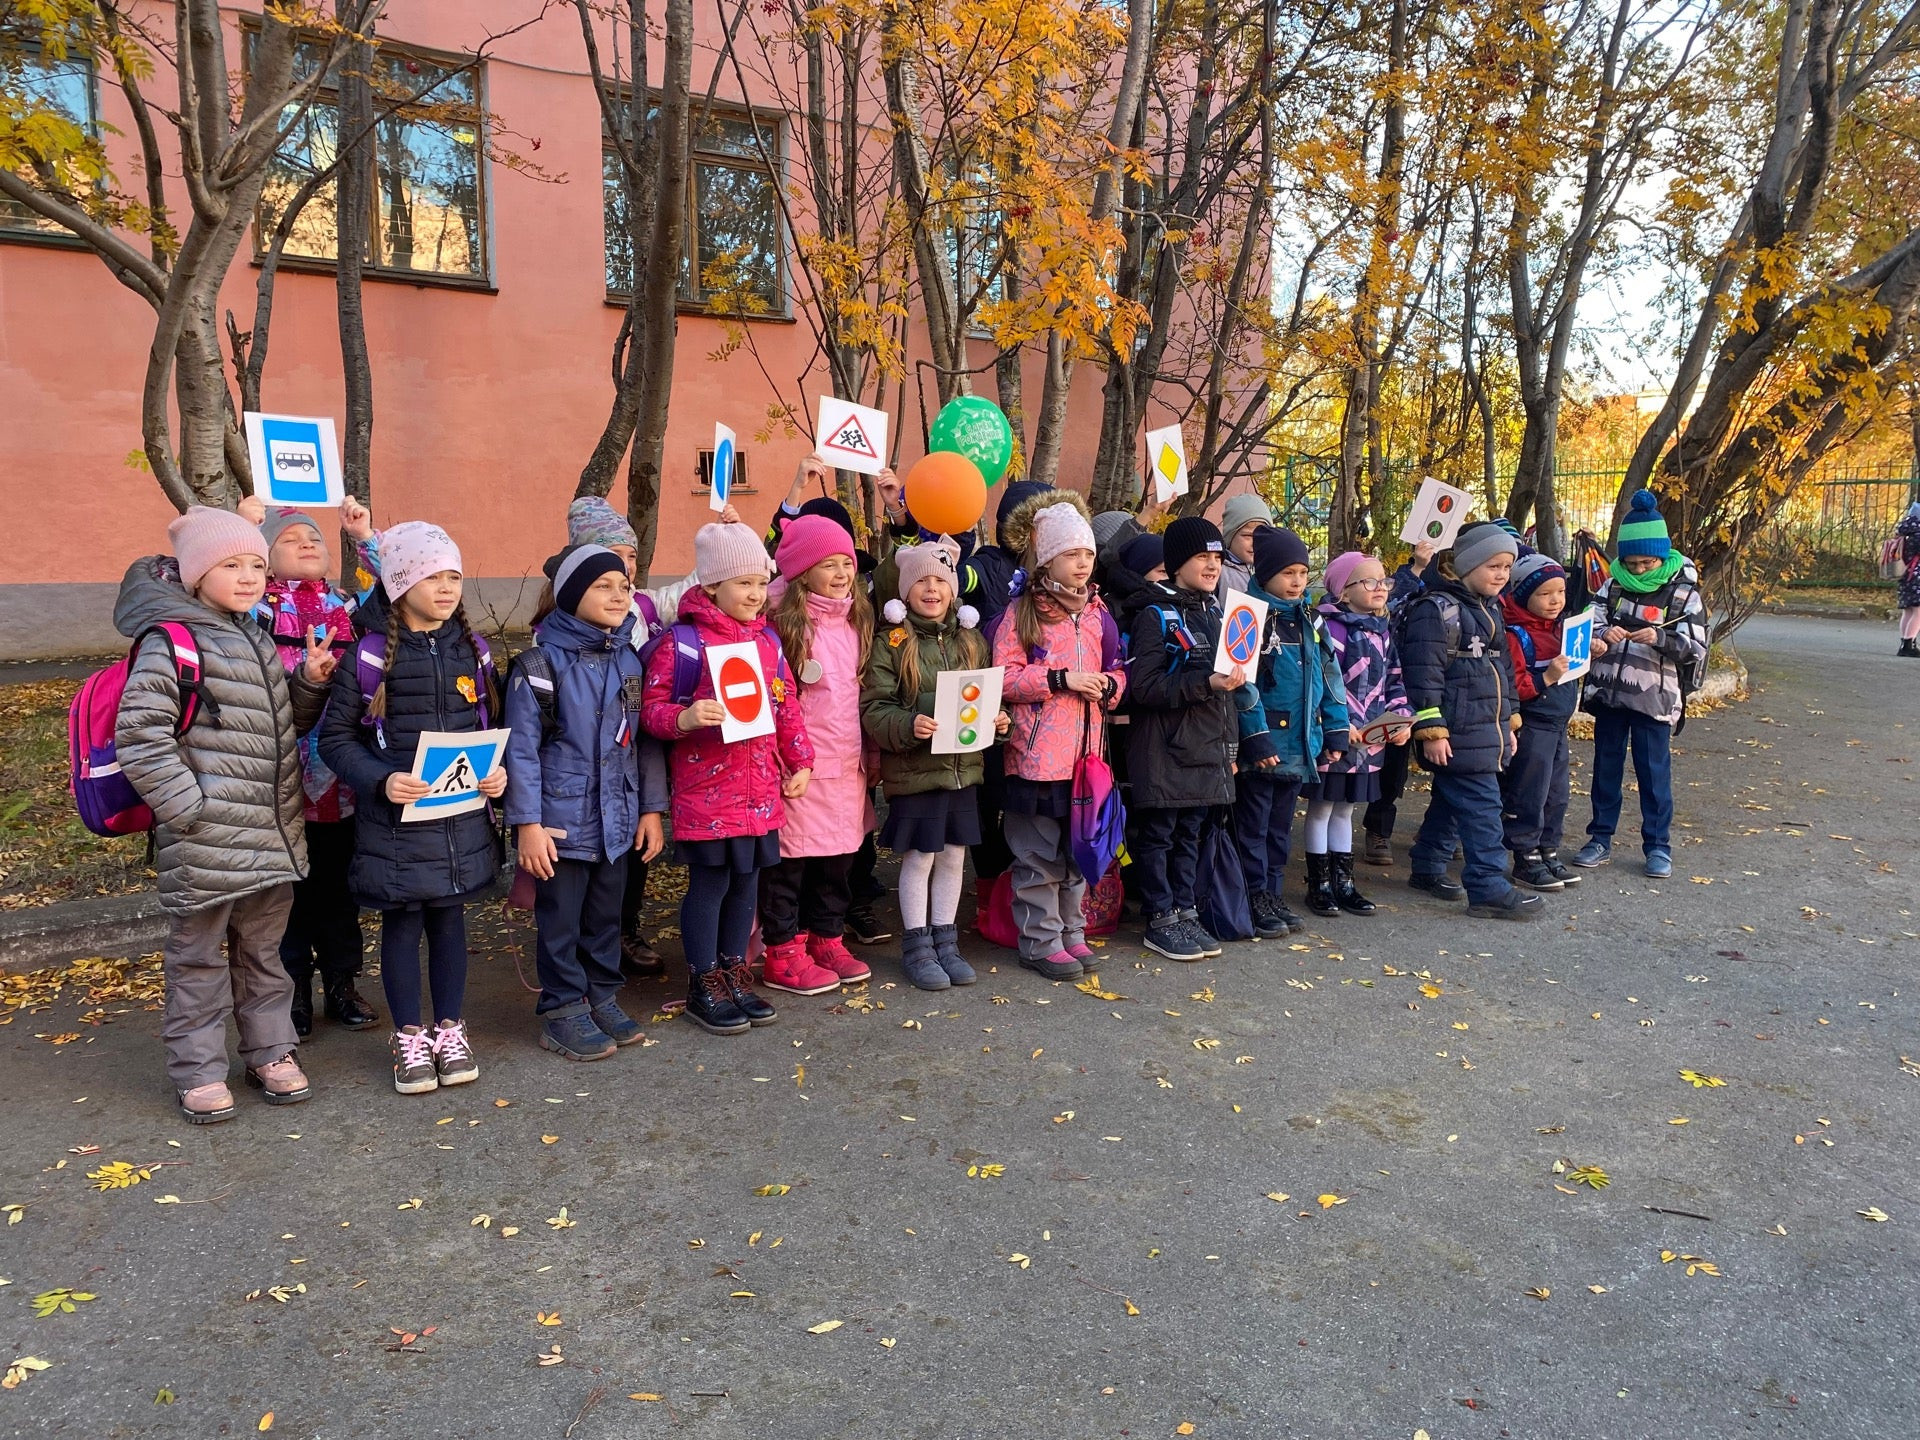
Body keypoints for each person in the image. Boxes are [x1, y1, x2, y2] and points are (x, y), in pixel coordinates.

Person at [114, 509, 333, 1124]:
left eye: (257, 565)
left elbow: (275, 731)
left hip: (270, 834)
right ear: (195, 573)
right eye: (230, 565)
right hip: (206, 839)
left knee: (265, 955)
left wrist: (308, 688)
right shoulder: (170, 642)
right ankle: (199, 1071)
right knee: (198, 959)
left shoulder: (255, 637)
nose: (248, 577)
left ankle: (270, 1052)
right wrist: (191, 810)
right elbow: (140, 737)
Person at [319, 523, 505, 1093]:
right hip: (396, 828)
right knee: (402, 926)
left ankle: (450, 1030)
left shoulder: (475, 650)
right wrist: (383, 781)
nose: (447, 588)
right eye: (431, 577)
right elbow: (335, 741)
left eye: (454, 576)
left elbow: (492, 726)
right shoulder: (368, 656)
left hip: (460, 823)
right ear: (400, 583)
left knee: (450, 922)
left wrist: (499, 775)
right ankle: (409, 1037)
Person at [641, 523, 813, 1033]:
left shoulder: (767, 642)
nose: (756, 594)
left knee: (747, 885)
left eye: (761, 583)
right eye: (743, 583)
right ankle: (702, 979)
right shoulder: (683, 644)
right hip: (707, 797)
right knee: (710, 886)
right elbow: (651, 711)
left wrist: (801, 760)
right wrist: (685, 718)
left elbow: (787, 708)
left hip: (759, 793)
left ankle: (734, 970)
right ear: (712, 585)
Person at [505, 545, 670, 1061]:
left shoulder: (628, 659)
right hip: (560, 824)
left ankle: (601, 995)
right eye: (604, 586)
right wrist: (527, 824)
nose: (619, 595)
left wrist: (650, 810)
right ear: (573, 594)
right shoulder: (538, 664)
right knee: (561, 921)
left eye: (623, 586)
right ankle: (561, 1009)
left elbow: (643, 740)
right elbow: (521, 752)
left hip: (617, 820)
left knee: (605, 918)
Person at [237, 495, 382, 1036]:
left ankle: (343, 985)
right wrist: (244, 528)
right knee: (286, 896)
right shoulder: (262, 607)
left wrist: (364, 538)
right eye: (291, 539)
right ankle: (291, 995)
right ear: (266, 557)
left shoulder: (348, 606)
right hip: (279, 778)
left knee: (339, 890)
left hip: (343, 779)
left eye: (316, 538)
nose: (307, 544)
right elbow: (211, 590)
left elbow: (397, 588)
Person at [564, 494, 713, 974]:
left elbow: (702, 582)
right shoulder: (559, 629)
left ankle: (623, 931)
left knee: (635, 849)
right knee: (584, 864)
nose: (626, 566)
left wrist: (719, 536)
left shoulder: (645, 607)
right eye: (613, 553)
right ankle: (581, 955)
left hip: (637, 749)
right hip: (582, 764)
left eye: (630, 555)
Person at [992, 494, 1127, 980]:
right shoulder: (1022, 613)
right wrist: (1058, 679)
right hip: (1034, 761)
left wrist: (1111, 687)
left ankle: (1072, 931)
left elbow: (1117, 670)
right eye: (1072, 555)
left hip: (1084, 762)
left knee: (1077, 853)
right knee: (1037, 858)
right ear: (1048, 559)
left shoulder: (1098, 614)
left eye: (1088, 555)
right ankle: (1040, 940)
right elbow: (1002, 678)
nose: (1082, 564)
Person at [861, 538, 1007, 989]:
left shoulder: (970, 639)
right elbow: (875, 707)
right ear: (905, 592)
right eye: (921, 580)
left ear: (952, 590)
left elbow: (987, 696)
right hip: (916, 771)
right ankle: (917, 944)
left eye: (939, 581)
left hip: (963, 769)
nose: (931, 589)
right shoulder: (892, 643)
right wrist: (909, 724)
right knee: (922, 856)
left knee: (954, 855)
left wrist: (1001, 721)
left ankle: (947, 939)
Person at [1128, 516, 1261, 960]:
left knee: (1192, 833)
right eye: (1202, 557)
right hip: (1165, 751)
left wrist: (1232, 746)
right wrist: (1206, 682)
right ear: (1177, 561)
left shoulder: (1221, 613)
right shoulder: (1154, 614)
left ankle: (1185, 910)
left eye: (1218, 558)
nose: (1212, 566)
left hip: (1207, 749)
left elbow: (1228, 691)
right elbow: (1142, 689)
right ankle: (1160, 916)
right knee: (1161, 834)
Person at [1402, 522, 1541, 920]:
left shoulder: (1489, 607)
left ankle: (1427, 865)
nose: (1500, 575)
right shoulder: (1436, 610)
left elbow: (1504, 671)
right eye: (1492, 566)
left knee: (1452, 800)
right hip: (1459, 729)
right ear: (1465, 566)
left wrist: (1510, 722)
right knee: (1482, 809)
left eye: (1506, 567)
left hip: (1485, 728)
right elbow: (1422, 674)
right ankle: (1488, 886)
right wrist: (1431, 731)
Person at [762, 515, 876, 989]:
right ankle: (783, 947)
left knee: (839, 859)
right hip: (799, 765)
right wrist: (786, 758)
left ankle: (826, 937)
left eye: (846, 563)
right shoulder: (780, 625)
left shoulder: (857, 620)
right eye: (828, 564)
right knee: (792, 862)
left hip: (847, 762)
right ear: (801, 571)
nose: (841, 574)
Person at [1572, 490, 1709, 879]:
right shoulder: (1611, 585)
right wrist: (1601, 636)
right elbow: (1587, 625)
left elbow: (1696, 647)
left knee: (1654, 774)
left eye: (1647, 562)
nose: (1640, 569)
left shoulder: (1684, 593)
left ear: (1662, 556)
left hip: (1655, 700)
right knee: (1606, 769)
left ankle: (1658, 846)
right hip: (1609, 695)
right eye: (1631, 562)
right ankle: (1599, 838)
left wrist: (1661, 640)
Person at [1237, 526, 1346, 934]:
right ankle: (1252, 895)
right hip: (1264, 746)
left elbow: (1330, 676)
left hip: (1300, 744)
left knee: (1281, 828)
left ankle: (1273, 892)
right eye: (1287, 573)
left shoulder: (1311, 620)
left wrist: (1336, 729)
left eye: (1302, 572)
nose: (1297, 581)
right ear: (1264, 573)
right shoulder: (1248, 616)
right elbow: (1239, 683)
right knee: (1253, 827)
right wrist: (1255, 735)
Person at [1307, 550, 1410, 916]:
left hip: (1369, 743)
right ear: (1343, 592)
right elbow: (1320, 684)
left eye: (1384, 581)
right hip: (1336, 740)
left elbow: (1394, 681)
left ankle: (1344, 882)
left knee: (1346, 810)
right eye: (1369, 581)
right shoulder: (1329, 629)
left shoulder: (1383, 632)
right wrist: (1336, 725)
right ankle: (1318, 883)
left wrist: (1400, 718)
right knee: (1321, 809)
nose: (1380, 587)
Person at [1500, 554, 1608, 890]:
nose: (1555, 600)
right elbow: (1513, 684)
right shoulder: (1516, 635)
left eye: (1560, 592)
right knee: (1528, 791)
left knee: (1557, 793)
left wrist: (1591, 647)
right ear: (1524, 595)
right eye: (1545, 594)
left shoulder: (1562, 627)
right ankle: (1524, 854)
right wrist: (1546, 677)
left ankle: (1548, 848)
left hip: (1559, 725)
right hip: (1533, 725)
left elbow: (1573, 662)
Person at [1361, 539, 1436, 867]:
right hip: (1394, 686)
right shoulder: (1401, 589)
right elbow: (1395, 604)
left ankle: (1438, 830)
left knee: (1445, 765)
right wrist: (1418, 567)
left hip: (1432, 683)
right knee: (1390, 766)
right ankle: (1378, 830)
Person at [1219, 492, 1275, 596]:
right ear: (1230, 536)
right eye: (1247, 536)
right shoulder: (1219, 572)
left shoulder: (1265, 571)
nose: (1255, 543)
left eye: (1261, 537)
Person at [1893, 501, 1920, 656]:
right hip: (1917, 576)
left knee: (1909, 611)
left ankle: (1906, 641)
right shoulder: (1918, 534)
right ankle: (1908, 645)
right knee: (1918, 612)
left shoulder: (1906, 533)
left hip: (1907, 575)